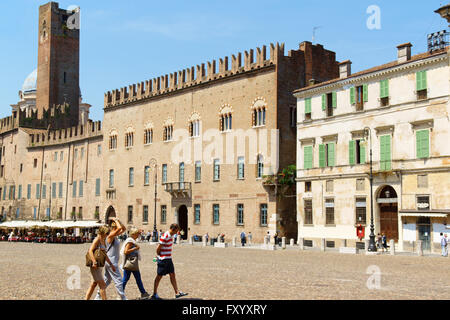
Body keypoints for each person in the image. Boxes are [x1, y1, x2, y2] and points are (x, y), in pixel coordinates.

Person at [151, 223, 188, 300]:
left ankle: (177, 292)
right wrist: (159, 256)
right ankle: (154, 294)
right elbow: (158, 248)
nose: (177, 232)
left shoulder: (171, 235)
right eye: (176, 230)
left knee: (172, 275)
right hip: (163, 260)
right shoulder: (165, 236)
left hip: (168, 259)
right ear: (173, 229)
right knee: (159, 276)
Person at [94, 217, 127, 300]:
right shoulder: (110, 235)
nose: (116, 228)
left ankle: (98, 297)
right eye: (115, 227)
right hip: (111, 261)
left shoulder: (114, 235)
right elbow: (120, 228)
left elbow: (123, 228)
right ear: (113, 228)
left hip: (111, 261)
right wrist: (115, 220)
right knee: (118, 280)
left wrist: (118, 221)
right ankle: (123, 297)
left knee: (107, 280)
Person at [85, 225, 116, 300]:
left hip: (99, 266)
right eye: (107, 232)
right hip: (95, 266)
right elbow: (90, 251)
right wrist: (94, 262)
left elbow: (104, 255)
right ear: (103, 232)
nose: (108, 234)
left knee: (93, 284)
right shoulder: (97, 239)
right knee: (103, 285)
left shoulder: (103, 240)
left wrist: (111, 264)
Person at [121, 228, 150, 299]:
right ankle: (120, 293)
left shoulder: (132, 240)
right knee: (126, 279)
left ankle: (143, 293)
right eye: (137, 234)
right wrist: (135, 248)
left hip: (133, 262)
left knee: (137, 278)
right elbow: (125, 251)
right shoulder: (130, 241)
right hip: (130, 262)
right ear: (133, 234)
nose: (138, 235)